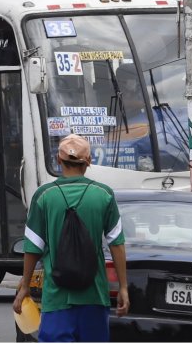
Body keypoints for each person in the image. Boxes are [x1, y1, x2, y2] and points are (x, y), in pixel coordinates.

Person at [13, 134, 129, 342]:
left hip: (57, 298)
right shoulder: (104, 194)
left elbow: (33, 247)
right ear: (89, 162)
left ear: (59, 160)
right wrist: (123, 287)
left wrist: (24, 286)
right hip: (95, 297)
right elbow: (117, 244)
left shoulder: (44, 195)